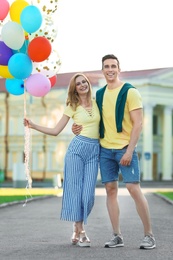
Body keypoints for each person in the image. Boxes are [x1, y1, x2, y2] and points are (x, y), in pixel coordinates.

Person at [72, 54, 156, 249]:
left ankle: (149, 235)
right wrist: (76, 128)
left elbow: (138, 124)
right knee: (110, 190)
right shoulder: (99, 94)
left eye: (113, 66)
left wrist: (129, 151)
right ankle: (117, 235)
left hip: (124, 149)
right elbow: (91, 118)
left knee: (134, 189)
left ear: (119, 69)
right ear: (102, 70)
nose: (110, 69)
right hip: (105, 150)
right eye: (106, 66)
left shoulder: (130, 92)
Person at [24, 73, 100, 247]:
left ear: (88, 84)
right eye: (78, 84)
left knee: (88, 196)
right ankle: (81, 232)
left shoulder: (97, 103)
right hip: (76, 150)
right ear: (74, 88)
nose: (82, 85)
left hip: (94, 151)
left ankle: (76, 225)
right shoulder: (72, 106)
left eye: (84, 82)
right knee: (75, 192)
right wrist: (33, 125)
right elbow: (56, 130)